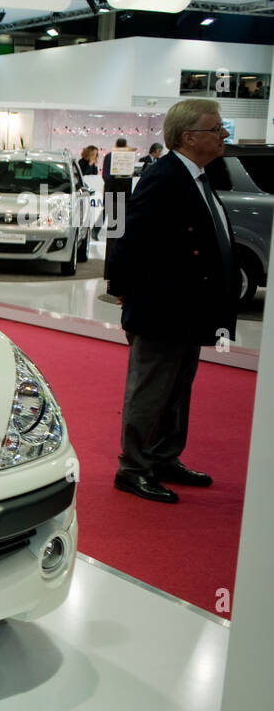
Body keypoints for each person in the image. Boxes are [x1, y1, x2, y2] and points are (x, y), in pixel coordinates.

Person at [105, 99, 237, 503]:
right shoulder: (164, 178)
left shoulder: (199, 175)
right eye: (215, 129)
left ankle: (163, 458)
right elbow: (128, 237)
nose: (223, 136)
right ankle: (134, 468)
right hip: (161, 309)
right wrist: (125, 294)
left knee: (178, 389)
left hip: (188, 308)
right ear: (188, 136)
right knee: (151, 390)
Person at [99, 137, 133, 241]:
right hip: (117, 190)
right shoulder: (126, 157)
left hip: (115, 190)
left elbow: (105, 175)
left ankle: (96, 230)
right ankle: (96, 230)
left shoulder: (111, 156)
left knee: (110, 213)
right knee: (111, 214)